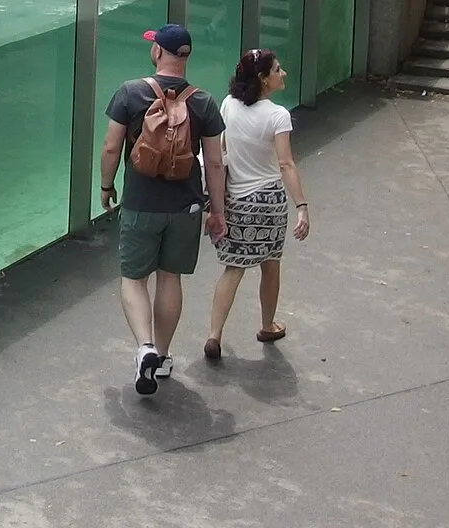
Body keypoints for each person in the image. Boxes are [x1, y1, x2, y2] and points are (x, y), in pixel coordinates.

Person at [100, 23, 227, 395]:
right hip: (185, 207)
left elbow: (111, 147)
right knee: (170, 277)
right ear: (185, 56)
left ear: (158, 52)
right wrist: (215, 209)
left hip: (140, 204)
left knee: (133, 278)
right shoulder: (203, 101)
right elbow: (216, 163)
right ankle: (164, 355)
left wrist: (107, 187)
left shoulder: (130, 93)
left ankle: (145, 348)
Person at [204, 49, 309, 359]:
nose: (283, 73)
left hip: (237, 199)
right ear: (264, 79)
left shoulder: (228, 105)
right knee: (270, 264)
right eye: (278, 70)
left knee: (233, 268)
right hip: (269, 202)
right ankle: (267, 325)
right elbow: (286, 164)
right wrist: (301, 205)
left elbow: (221, 151)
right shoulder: (278, 116)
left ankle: (214, 335)